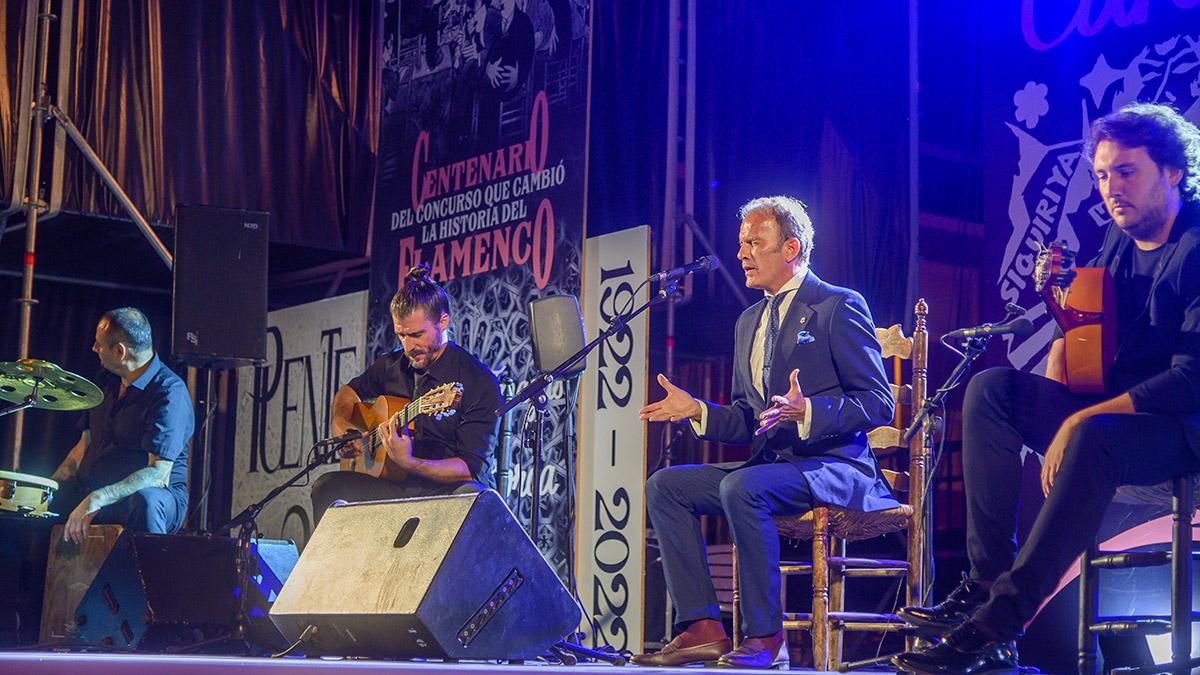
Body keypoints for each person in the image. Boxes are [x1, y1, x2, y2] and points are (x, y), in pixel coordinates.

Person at [895, 103, 1200, 672]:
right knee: (992, 390)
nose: (1111, 188)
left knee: (1093, 437)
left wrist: (1077, 419)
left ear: (1173, 171)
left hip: (1182, 431)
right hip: (1119, 418)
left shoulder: (1196, 247)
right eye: (1103, 175)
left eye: (1126, 172)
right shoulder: (1116, 241)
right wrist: (1064, 308)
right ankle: (986, 579)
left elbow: (1189, 379)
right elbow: (1094, 345)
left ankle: (998, 625)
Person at [633, 195, 899, 669]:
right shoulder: (748, 322)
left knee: (742, 486)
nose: (742, 254)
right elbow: (747, 418)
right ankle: (702, 627)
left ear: (791, 248)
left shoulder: (837, 306)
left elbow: (878, 402)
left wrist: (809, 410)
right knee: (665, 487)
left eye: (755, 243)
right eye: (741, 244)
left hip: (836, 466)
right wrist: (698, 410)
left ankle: (765, 638)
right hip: (772, 470)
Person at [310, 264, 502, 524]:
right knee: (328, 487)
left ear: (443, 321)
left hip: (444, 492)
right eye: (401, 335)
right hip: (394, 487)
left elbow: (470, 468)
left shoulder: (477, 381)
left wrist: (410, 462)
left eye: (416, 335)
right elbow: (347, 393)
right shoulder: (390, 366)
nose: (409, 346)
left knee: (472, 496)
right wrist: (345, 430)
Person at [51, 308, 194, 543]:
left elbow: (158, 474)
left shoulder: (169, 393)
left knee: (146, 500)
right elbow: (83, 445)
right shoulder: (104, 381)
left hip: (152, 496)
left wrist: (99, 497)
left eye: (99, 344)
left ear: (120, 352)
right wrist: (49, 486)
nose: (94, 349)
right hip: (97, 490)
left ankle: (149, 575)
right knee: (38, 506)